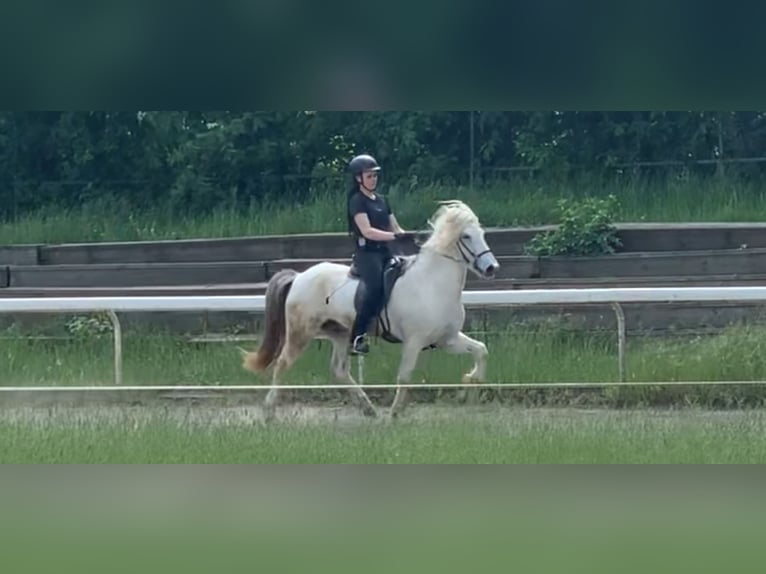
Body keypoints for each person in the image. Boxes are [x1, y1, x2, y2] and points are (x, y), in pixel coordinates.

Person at [346, 153, 407, 354]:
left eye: (375, 175)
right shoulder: (357, 201)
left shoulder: (382, 200)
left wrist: (405, 235)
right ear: (358, 178)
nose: (373, 179)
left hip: (386, 251)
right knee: (375, 287)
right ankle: (357, 336)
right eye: (369, 176)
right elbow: (367, 231)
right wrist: (392, 236)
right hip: (367, 253)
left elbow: (395, 226)